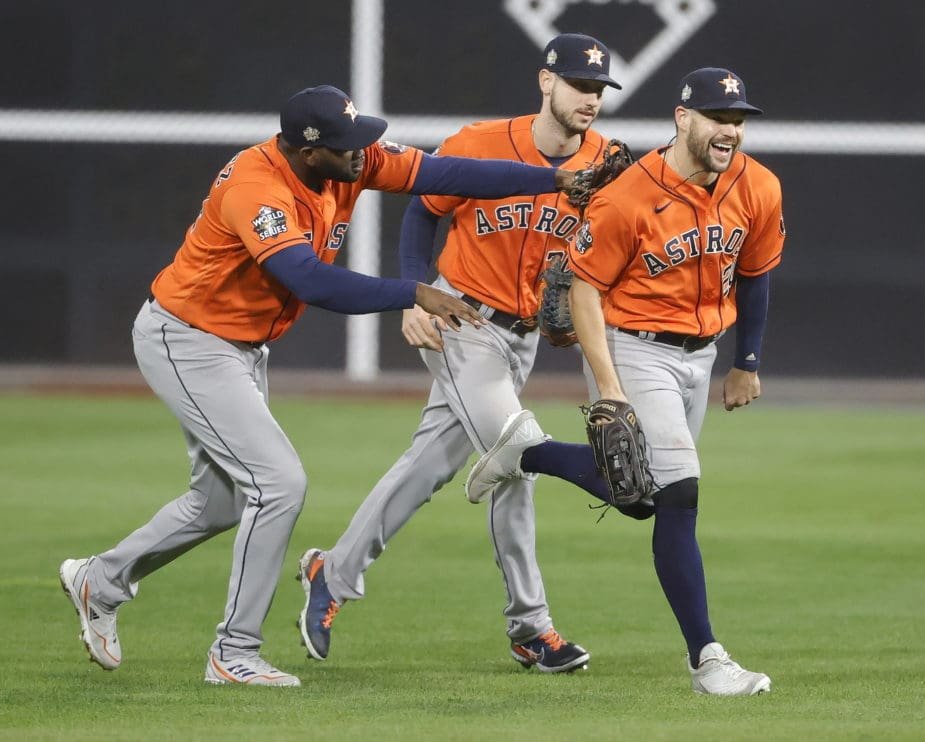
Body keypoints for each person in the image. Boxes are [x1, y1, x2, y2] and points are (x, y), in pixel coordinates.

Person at [58, 84, 592, 687]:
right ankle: (233, 651)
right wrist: (413, 292)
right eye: (348, 145)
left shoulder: (347, 160)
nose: (363, 152)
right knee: (278, 484)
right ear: (309, 152)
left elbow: (447, 172)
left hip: (237, 347)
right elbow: (310, 281)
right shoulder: (256, 188)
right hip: (188, 339)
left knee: (221, 502)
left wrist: (555, 180)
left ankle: (100, 580)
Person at [296, 34, 621, 673]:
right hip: (461, 319)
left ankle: (330, 572)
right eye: (579, 85)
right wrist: (414, 297)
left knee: (428, 466)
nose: (590, 98)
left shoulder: (607, 162)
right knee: (518, 453)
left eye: (599, 89)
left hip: (524, 337)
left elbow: (603, 252)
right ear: (546, 81)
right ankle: (532, 627)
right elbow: (422, 213)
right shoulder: (479, 142)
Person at [464, 67, 785, 696]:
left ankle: (527, 451)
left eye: (738, 120)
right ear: (683, 118)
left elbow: (756, 273)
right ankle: (708, 660)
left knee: (641, 498)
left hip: (701, 354)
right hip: (633, 346)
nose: (730, 131)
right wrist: (609, 384)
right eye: (718, 119)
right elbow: (583, 291)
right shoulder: (630, 195)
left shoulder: (759, 186)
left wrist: (747, 361)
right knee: (681, 492)